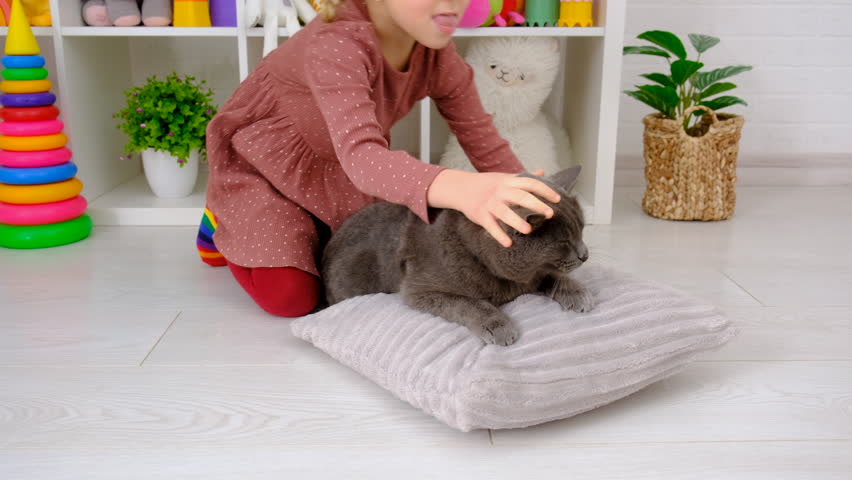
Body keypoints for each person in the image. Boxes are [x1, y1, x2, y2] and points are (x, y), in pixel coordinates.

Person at [196, 0, 561, 317]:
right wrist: (460, 187)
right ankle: (220, 220)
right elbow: (363, 156)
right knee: (290, 298)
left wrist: (533, 202)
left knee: (372, 268)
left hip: (337, 172)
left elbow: (483, 140)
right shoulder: (337, 43)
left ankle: (303, 228)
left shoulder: (435, 52)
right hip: (263, 169)